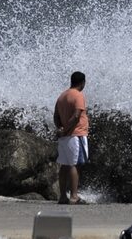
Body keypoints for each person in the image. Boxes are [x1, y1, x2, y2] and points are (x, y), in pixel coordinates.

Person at [53, 71, 89, 205]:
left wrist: (60, 129)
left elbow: (56, 116)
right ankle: (74, 196)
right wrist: (67, 130)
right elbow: (76, 116)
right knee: (75, 165)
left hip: (65, 138)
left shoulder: (62, 96)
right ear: (82, 82)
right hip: (76, 135)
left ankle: (63, 196)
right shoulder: (78, 95)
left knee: (64, 165)